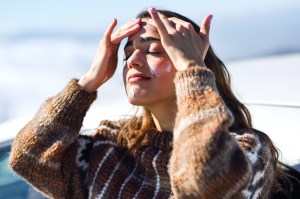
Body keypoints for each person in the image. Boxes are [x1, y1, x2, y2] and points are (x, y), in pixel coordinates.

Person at [9, 7, 291, 199]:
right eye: (126, 53)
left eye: (154, 50)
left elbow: (202, 185)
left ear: (191, 65)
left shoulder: (245, 152)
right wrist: (88, 82)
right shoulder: (109, 148)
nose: (132, 60)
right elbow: (28, 158)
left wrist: (192, 71)